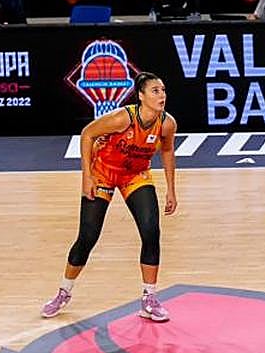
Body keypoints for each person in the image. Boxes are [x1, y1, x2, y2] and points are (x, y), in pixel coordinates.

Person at [40, 71, 178, 322]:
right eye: (156, 91)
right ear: (141, 96)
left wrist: (171, 189)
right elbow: (87, 134)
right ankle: (63, 292)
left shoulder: (167, 123)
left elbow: (167, 151)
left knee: (151, 231)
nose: (162, 95)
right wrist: (87, 177)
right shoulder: (122, 118)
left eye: (164, 90)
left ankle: (149, 298)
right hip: (103, 173)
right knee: (88, 237)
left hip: (135, 175)